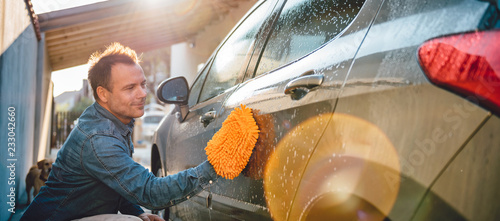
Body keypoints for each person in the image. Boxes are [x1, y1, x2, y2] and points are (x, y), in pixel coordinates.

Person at [21, 43, 218, 221]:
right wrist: (217, 165)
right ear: (103, 94)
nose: (142, 94)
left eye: (142, 84)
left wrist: (137, 212)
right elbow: (151, 192)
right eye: (130, 87)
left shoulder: (114, 124)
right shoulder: (98, 138)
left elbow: (114, 184)